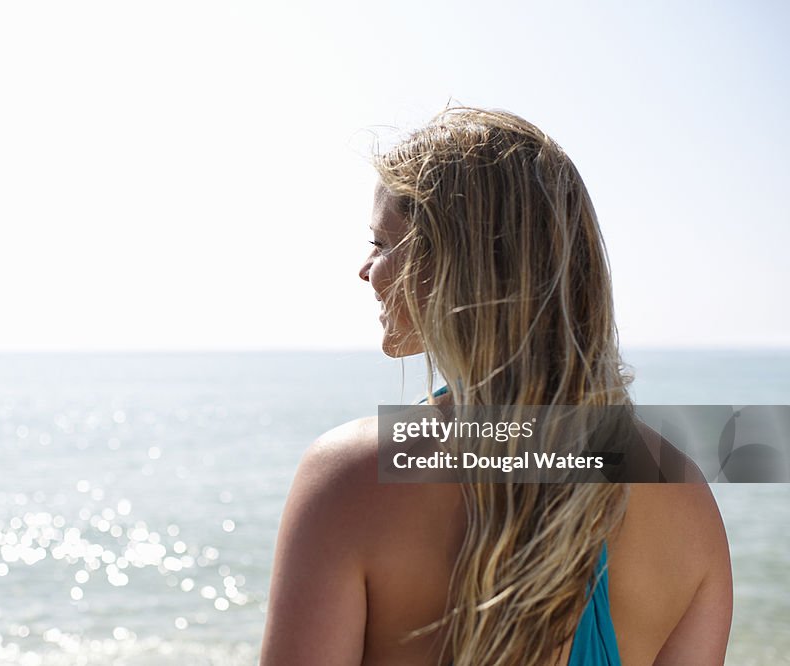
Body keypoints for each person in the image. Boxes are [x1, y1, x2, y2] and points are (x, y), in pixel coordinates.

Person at [260, 107, 733, 665]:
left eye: (382, 242)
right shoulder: (685, 498)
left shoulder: (349, 476)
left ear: (452, 264)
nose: (367, 269)